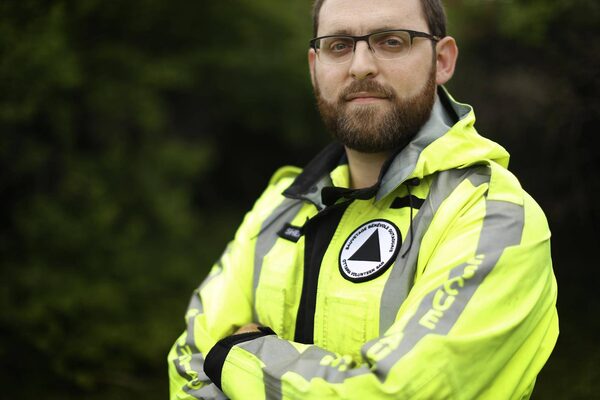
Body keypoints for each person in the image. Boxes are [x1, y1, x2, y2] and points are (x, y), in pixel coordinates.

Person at [167, 0, 559, 398]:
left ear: (441, 60)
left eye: (391, 41)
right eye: (338, 45)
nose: (360, 66)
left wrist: (238, 354)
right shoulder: (280, 205)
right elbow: (188, 365)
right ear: (314, 67)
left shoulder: (495, 216)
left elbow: (398, 393)